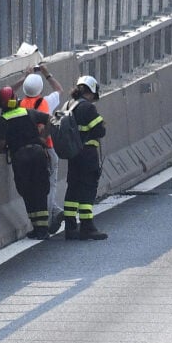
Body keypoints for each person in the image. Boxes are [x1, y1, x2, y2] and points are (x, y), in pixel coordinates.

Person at [12, 65, 64, 235]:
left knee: (35, 187)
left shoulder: (19, 103)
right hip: (47, 148)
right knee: (49, 184)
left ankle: (53, 212)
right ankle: (50, 217)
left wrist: (24, 77)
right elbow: (59, 89)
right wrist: (45, 72)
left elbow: (8, 92)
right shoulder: (46, 102)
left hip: (25, 152)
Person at [0, 86, 51, 240]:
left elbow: (0, 145)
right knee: (40, 189)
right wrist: (42, 138)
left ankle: (36, 226)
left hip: (20, 157)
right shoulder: (28, 112)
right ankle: (43, 228)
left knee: (27, 191)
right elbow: (50, 119)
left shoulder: (3, 121)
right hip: (38, 153)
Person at [63, 75, 108, 240]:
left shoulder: (68, 105)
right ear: (91, 91)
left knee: (73, 188)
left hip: (73, 155)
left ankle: (70, 226)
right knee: (88, 189)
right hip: (87, 155)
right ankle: (87, 226)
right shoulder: (88, 108)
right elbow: (100, 131)